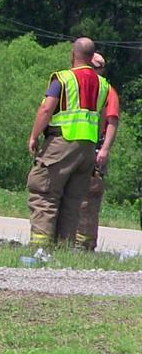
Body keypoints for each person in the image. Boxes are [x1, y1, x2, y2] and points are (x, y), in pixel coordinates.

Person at [25, 38, 112, 247]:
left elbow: (47, 109)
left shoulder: (63, 78)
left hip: (62, 142)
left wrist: (34, 136)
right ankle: (63, 248)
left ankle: (40, 248)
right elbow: (102, 119)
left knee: (44, 194)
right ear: (92, 58)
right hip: (87, 149)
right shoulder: (103, 85)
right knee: (73, 202)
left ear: (73, 54)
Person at [75, 52, 120, 250]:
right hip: (74, 145)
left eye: (94, 67)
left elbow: (112, 120)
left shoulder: (107, 90)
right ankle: (65, 241)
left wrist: (104, 149)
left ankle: (84, 245)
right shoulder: (75, 82)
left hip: (95, 148)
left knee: (89, 197)